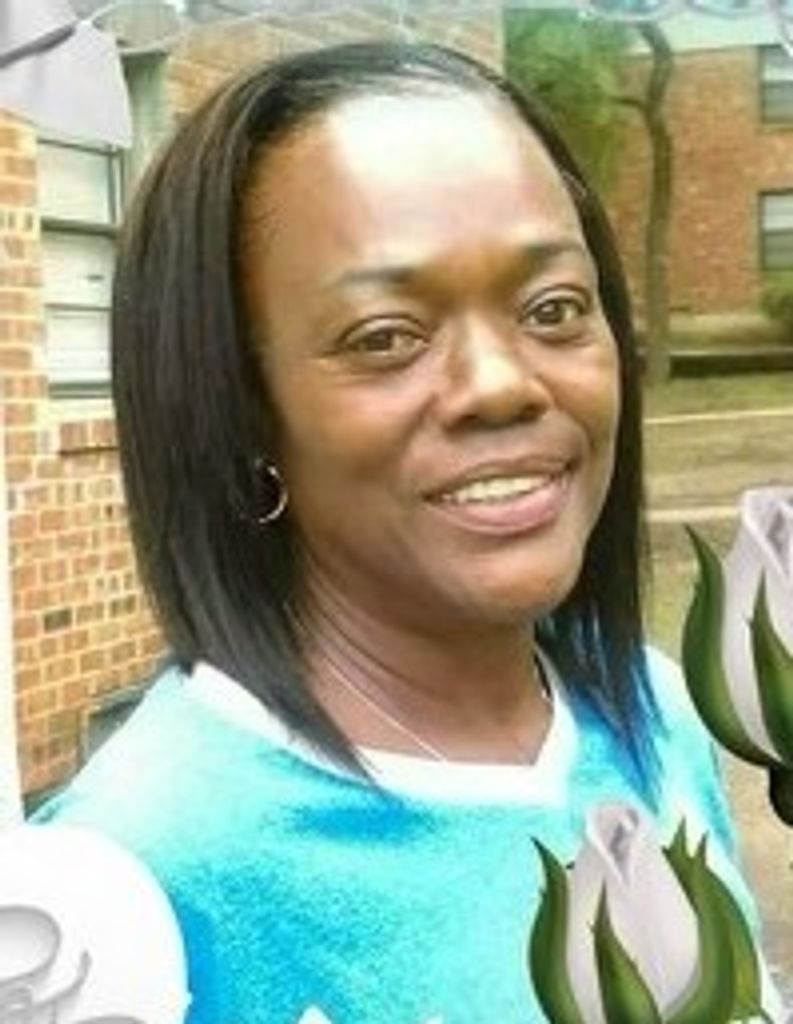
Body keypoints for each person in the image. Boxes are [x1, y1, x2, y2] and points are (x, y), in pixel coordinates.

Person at [24, 40, 780, 1023]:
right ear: (240, 409)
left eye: (554, 307)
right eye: (385, 336)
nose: (502, 383)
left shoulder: (653, 711)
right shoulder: (126, 889)